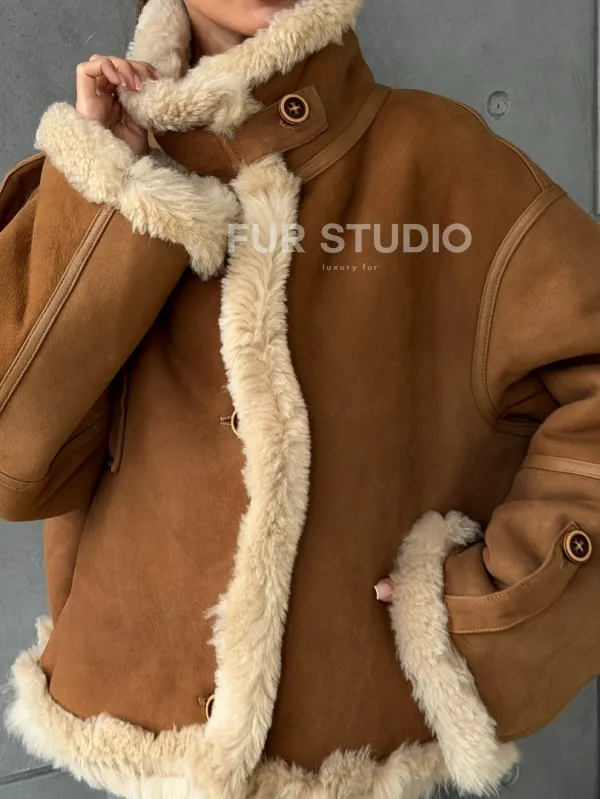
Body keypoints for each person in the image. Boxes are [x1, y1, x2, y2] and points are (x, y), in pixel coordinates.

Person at [1, 0, 599, 797]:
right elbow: (16, 462)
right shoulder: (102, 160)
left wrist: (493, 609)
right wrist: (114, 185)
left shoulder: (448, 163)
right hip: (130, 734)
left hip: (361, 745)